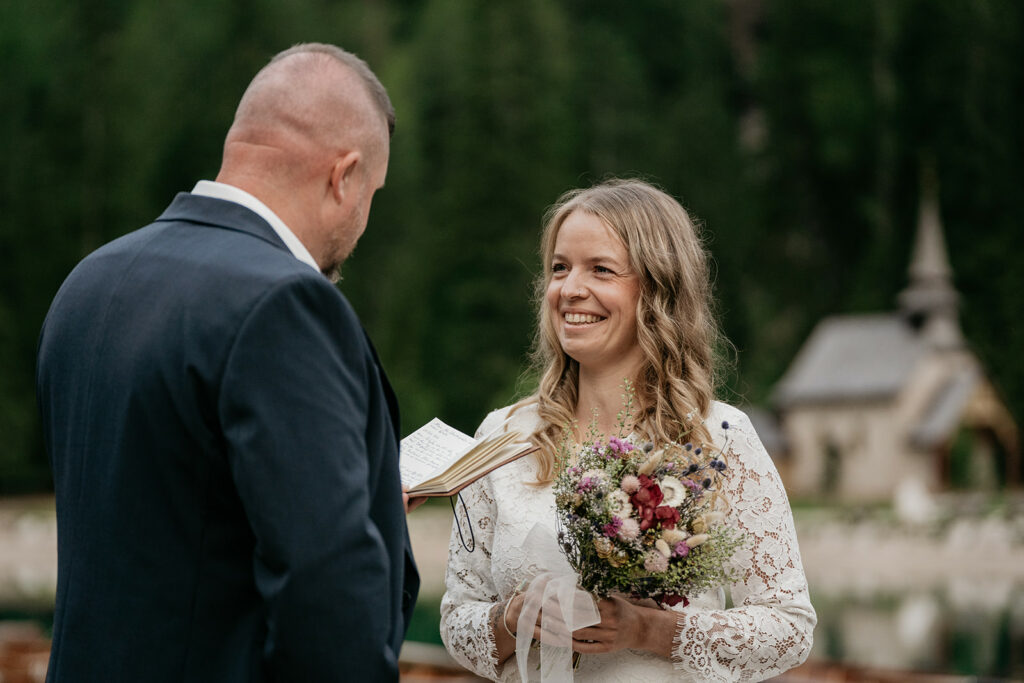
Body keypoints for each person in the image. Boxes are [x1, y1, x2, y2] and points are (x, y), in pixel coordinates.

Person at [36, 43, 418, 682]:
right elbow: (325, 587)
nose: (363, 218)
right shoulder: (285, 303)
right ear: (344, 175)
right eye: (372, 194)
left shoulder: (90, 281)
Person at [439, 179, 816, 680]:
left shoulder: (718, 436)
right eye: (559, 268)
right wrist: (511, 619)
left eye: (600, 269)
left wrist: (645, 631)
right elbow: (456, 621)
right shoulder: (502, 436)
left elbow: (790, 628)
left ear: (657, 289)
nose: (570, 288)